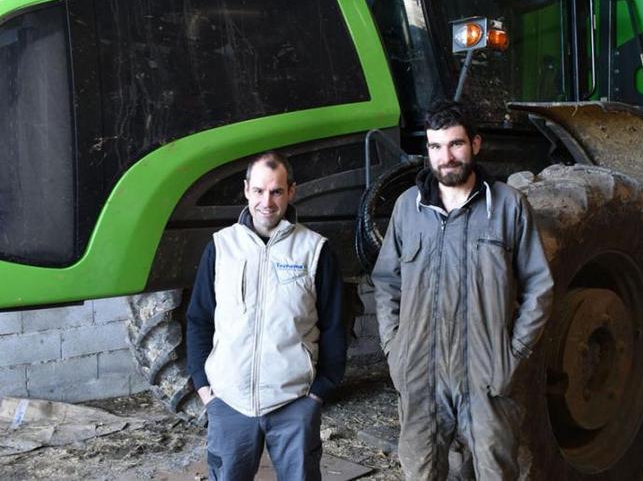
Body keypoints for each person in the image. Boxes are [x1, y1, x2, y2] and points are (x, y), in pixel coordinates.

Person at [371, 100, 554, 480]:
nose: (446, 157)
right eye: (436, 147)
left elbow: (539, 285)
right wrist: (395, 347)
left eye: (455, 144)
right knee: (422, 471)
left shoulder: (507, 206)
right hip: (421, 373)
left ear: (475, 144)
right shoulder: (409, 208)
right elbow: (387, 281)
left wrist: (514, 352)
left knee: (494, 471)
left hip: (486, 373)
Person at [186, 151, 347, 481]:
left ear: (291, 191)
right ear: (246, 190)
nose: (267, 202)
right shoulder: (221, 247)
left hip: (293, 404)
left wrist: (319, 392)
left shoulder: (314, 250)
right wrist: (205, 390)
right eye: (259, 191)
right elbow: (199, 319)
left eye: (276, 191)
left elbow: (334, 325)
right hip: (229, 404)